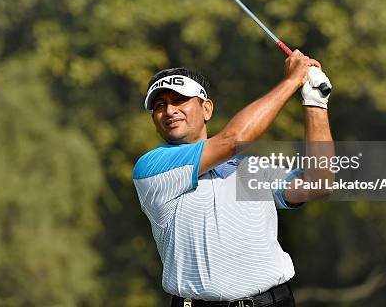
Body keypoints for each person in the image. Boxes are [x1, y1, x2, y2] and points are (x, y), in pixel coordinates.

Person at [133, 50, 334, 307]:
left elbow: (320, 184)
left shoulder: (251, 168)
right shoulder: (152, 168)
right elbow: (232, 140)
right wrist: (292, 81)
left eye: (180, 100)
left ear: (206, 109)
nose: (170, 110)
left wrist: (315, 102)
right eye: (159, 106)